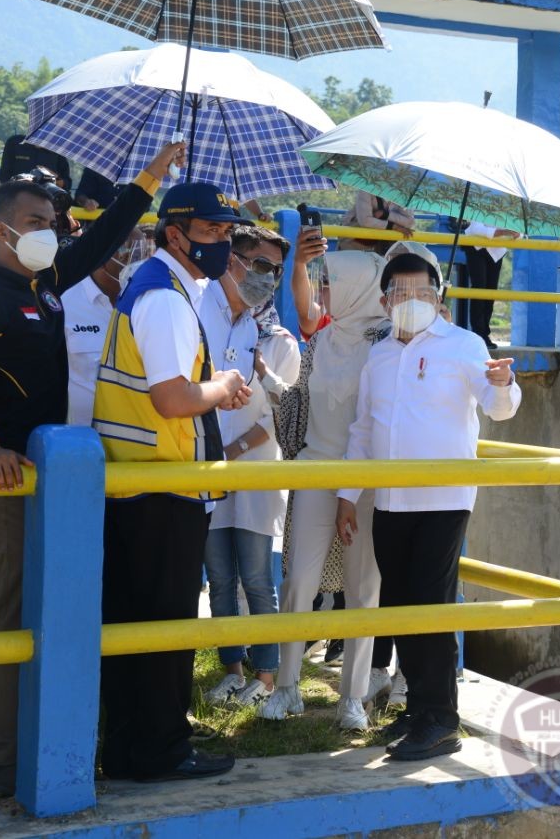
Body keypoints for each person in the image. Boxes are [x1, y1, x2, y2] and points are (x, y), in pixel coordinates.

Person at [0, 142, 185, 796]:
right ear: (2, 230)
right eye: (38, 223)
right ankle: (0, 756)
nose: (51, 234)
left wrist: (150, 178)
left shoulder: (42, 285)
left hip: (39, 471)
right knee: (6, 608)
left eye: (55, 223)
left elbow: (103, 235)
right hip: (2, 475)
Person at [92, 182, 251, 783]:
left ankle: (132, 748)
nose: (223, 242)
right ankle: (161, 751)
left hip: (140, 486)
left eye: (227, 232)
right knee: (165, 628)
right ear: (175, 234)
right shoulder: (165, 299)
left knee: (137, 626)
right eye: (211, 232)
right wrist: (225, 384)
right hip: (162, 486)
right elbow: (172, 397)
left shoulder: (154, 288)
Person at [335, 250, 521, 761]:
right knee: (399, 605)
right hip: (390, 500)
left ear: (440, 298)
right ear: (383, 300)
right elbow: (364, 429)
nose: (411, 301)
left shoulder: (464, 345)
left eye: (422, 292)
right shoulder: (379, 356)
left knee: (430, 604)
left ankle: (441, 718)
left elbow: (497, 406)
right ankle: (418, 709)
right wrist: (348, 495)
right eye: (400, 293)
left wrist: (504, 385)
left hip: (443, 499)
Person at [259, 243, 388, 730]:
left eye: (330, 282)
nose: (323, 292)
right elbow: (298, 407)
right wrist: (269, 382)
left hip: (368, 481)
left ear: (357, 289)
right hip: (315, 470)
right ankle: (287, 686)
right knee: (298, 580)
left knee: (363, 589)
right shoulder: (320, 344)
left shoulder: (386, 345)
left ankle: (351, 697)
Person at [199, 225, 299, 707]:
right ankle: (232, 669)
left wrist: (229, 453)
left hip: (257, 473)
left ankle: (265, 675)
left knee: (258, 577)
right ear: (232, 259)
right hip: (210, 470)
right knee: (218, 575)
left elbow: (278, 418)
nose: (266, 277)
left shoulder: (282, 343)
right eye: (259, 265)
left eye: (274, 271)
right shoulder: (210, 322)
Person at [62, 227, 151, 426]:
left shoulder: (149, 303)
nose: (140, 264)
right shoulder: (64, 302)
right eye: (131, 254)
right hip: (78, 444)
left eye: (144, 254)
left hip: (136, 442)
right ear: (100, 257)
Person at [459, 219, 520, 349]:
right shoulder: (481, 201)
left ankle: (484, 334)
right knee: (479, 290)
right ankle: (479, 334)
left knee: (490, 293)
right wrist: (503, 232)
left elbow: (519, 234)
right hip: (476, 246)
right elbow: (476, 229)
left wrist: (516, 233)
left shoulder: (509, 209)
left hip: (496, 250)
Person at [350, 190, 414, 254]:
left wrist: (386, 215)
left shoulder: (404, 191)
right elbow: (365, 221)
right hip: (357, 241)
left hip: (385, 242)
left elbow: (409, 222)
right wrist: (394, 226)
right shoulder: (365, 190)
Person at [0, 134, 72, 190]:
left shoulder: (57, 148)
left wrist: (53, 179)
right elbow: (4, 176)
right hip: (18, 197)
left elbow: (67, 184)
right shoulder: (15, 142)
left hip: (46, 200)